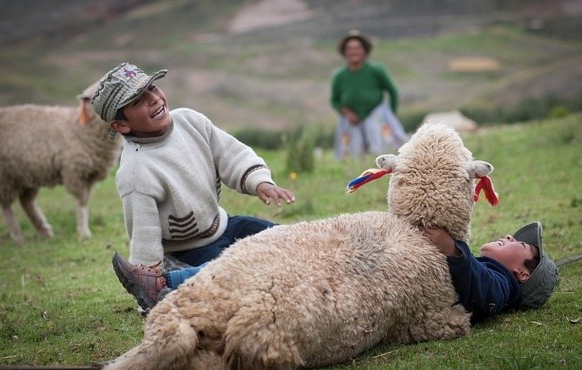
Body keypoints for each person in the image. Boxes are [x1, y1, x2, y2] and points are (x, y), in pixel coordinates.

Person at [90, 62, 295, 310]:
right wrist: (147, 279)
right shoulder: (136, 173)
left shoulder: (190, 121)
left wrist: (260, 181)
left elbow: (231, 154)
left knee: (287, 240)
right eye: (138, 101)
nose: (154, 99)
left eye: (152, 88)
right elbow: (143, 234)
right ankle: (165, 282)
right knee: (238, 268)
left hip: (225, 224)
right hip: (190, 250)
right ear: (121, 125)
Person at [424, 221, 559, 323]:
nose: (509, 236)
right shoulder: (484, 268)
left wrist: (452, 249)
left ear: (522, 274)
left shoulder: (503, 287)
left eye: (520, 244)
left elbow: (487, 287)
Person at [330, 29, 409, 159]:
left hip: (376, 114)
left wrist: (391, 114)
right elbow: (335, 100)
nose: (354, 52)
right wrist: (347, 113)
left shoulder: (376, 70)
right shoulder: (339, 76)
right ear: (344, 52)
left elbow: (392, 91)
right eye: (349, 48)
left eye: (358, 48)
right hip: (352, 119)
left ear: (365, 50)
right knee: (353, 151)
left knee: (382, 147)